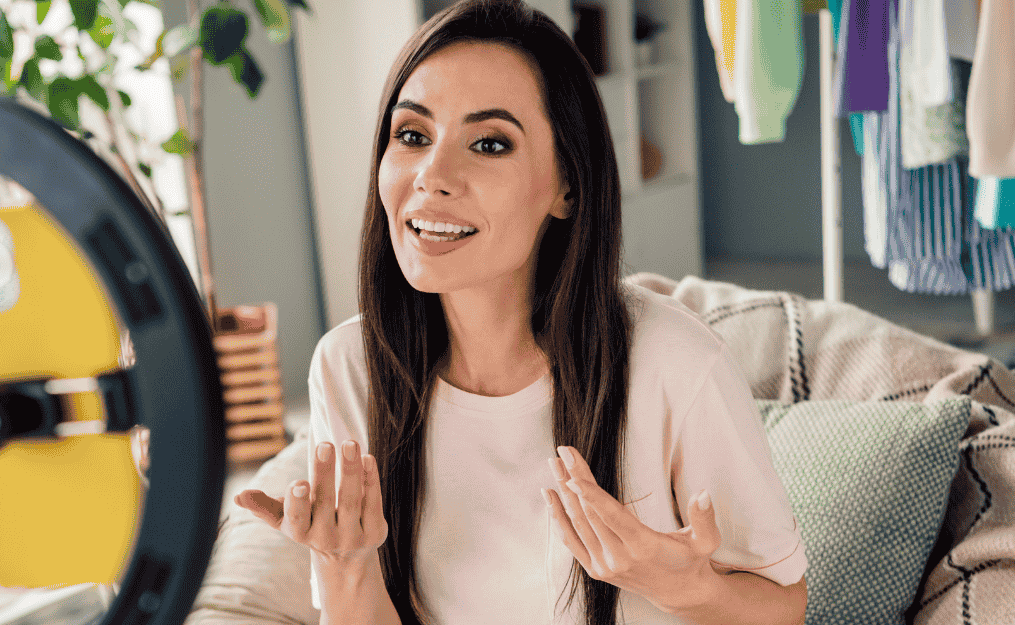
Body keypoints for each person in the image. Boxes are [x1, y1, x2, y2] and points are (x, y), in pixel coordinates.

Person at [234, 1, 808, 623]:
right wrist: (345, 564)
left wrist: (689, 588)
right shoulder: (351, 367)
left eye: (489, 143)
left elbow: (785, 607)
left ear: (567, 186)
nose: (433, 175)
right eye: (413, 135)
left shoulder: (673, 363)